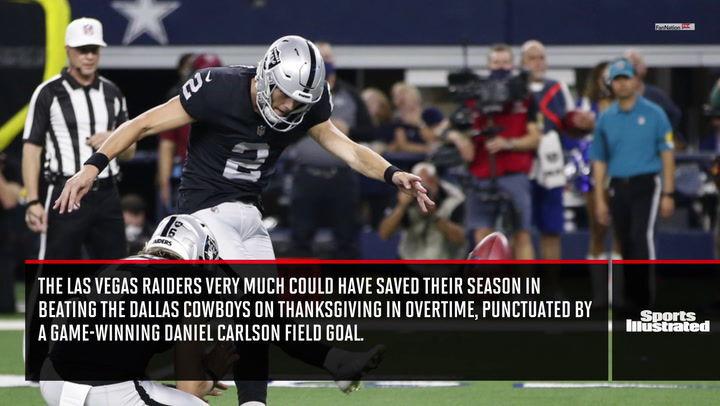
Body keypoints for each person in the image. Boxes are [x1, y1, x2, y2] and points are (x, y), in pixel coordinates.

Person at [52, 35, 430, 405]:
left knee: (256, 317)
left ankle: (257, 400)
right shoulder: (219, 88)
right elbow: (144, 124)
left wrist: (393, 173)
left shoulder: (308, 104)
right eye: (284, 94)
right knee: (257, 305)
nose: (287, 107)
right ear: (267, 75)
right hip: (205, 213)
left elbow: (347, 149)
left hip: (250, 213)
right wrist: (92, 166)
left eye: (299, 101)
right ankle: (335, 361)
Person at [38, 214, 234, 406]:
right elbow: (191, 389)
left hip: (52, 380)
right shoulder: (190, 283)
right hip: (106, 392)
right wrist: (210, 373)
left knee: (157, 389)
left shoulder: (116, 266)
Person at [22, 17, 135, 259]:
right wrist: (32, 201)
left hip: (107, 192)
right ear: (68, 51)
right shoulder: (49, 92)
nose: (89, 56)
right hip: (65, 192)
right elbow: (32, 148)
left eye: (94, 49)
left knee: (116, 272)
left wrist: (116, 139)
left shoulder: (112, 93)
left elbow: (130, 151)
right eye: (82, 50)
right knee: (56, 274)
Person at [286, 42, 374, 258]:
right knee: (300, 237)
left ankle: (345, 289)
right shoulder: (297, 92)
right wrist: (308, 124)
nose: (324, 62)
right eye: (319, 57)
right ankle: (299, 289)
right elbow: (282, 128)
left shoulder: (351, 95)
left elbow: (370, 131)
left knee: (346, 239)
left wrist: (349, 129)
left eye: (327, 57)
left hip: (342, 177)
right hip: (307, 176)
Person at [453, 43, 541, 259]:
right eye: (496, 62)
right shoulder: (474, 97)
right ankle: (487, 290)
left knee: (522, 234)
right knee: (482, 236)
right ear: (488, 65)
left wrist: (508, 143)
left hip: (514, 174)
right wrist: (459, 139)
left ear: (513, 65)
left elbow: (535, 137)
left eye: (505, 62)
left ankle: (524, 291)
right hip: (481, 173)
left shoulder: (525, 97)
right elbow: (455, 129)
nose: (500, 67)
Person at [590, 57, 675, 260]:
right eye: (617, 79)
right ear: (611, 84)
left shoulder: (655, 113)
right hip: (617, 185)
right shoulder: (606, 118)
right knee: (624, 240)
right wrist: (600, 199)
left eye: (626, 78)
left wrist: (668, 192)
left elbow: (667, 153)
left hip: (646, 183)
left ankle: (643, 290)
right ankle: (630, 289)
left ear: (635, 80)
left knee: (641, 236)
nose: (622, 83)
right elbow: (599, 160)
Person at [521, 40, 595, 259]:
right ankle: (524, 289)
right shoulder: (515, 89)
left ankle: (552, 287)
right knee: (521, 231)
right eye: (532, 58)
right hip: (522, 167)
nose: (537, 63)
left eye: (541, 57)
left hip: (551, 166)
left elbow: (571, 123)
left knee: (551, 229)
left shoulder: (558, 88)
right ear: (522, 62)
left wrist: (582, 123)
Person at [157, 53, 222, 218]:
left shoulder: (233, 103)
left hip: (220, 175)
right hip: (187, 173)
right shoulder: (181, 101)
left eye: (214, 75)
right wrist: (164, 181)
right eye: (205, 75)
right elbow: (167, 143)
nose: (210, 81)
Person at [378, 162, 466, 259]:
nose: (422, 191)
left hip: (445, 261)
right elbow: (384, 234)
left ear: (436, 181)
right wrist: (401, 207)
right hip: (410, 260)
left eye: (428, 183)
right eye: (418, 184)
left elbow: (460, 239)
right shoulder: (405, 193)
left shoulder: (455, 198)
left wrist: (434, 215)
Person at [624, 49, 682, 138]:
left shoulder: (657, 95)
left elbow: (675, 115)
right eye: (629, 63)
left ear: (644, 68)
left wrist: (664, 135)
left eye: (636, 63)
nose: (633, 67)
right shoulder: (616, 98)